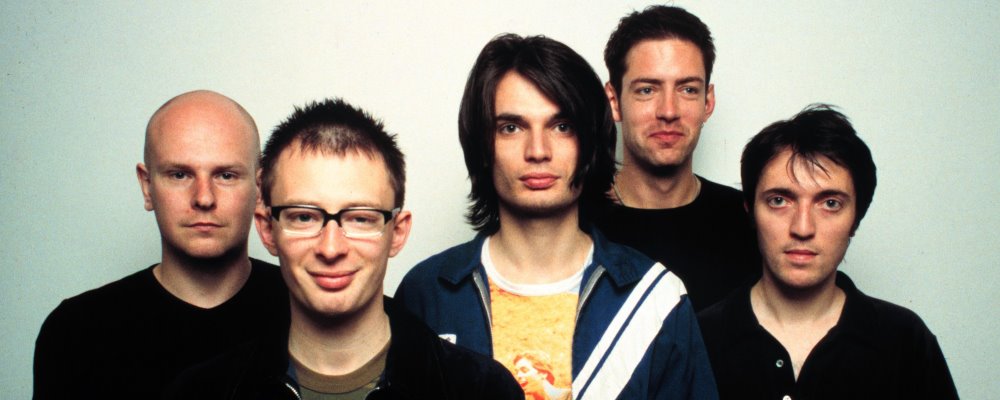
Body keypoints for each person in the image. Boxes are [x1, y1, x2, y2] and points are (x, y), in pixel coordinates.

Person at [395, 34, 717, 400]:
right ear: (483, 146)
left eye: (562, 126)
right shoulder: (426, 293)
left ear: (590, 144)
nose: (538, 151)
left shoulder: (657, 299)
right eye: (511, 128)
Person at [164, 98, 523, 399]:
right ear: (267, 230)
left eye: (360, 219)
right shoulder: (200, 393)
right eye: (304, 217)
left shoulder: (481, 390)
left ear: (397, 232)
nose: (331, 247)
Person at [32, 90, 289, 399]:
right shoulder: (77, 330)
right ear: (147, 186)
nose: (204, 198)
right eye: (179, 175)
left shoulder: (307, 310)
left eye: (225, 175)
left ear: (259, 189)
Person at [698, 105, 959, 399]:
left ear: (856, 219)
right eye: (779, 200)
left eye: (830, 203)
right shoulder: (699, 338)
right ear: (751, 211)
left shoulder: (905, 341)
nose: (802, 228)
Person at [597, 5, 759, 311]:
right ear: (614, 101)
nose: (668, 111)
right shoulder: (576, 222)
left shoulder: (751, 222)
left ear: (708, 102)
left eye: (687, 89)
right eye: (647, 90)